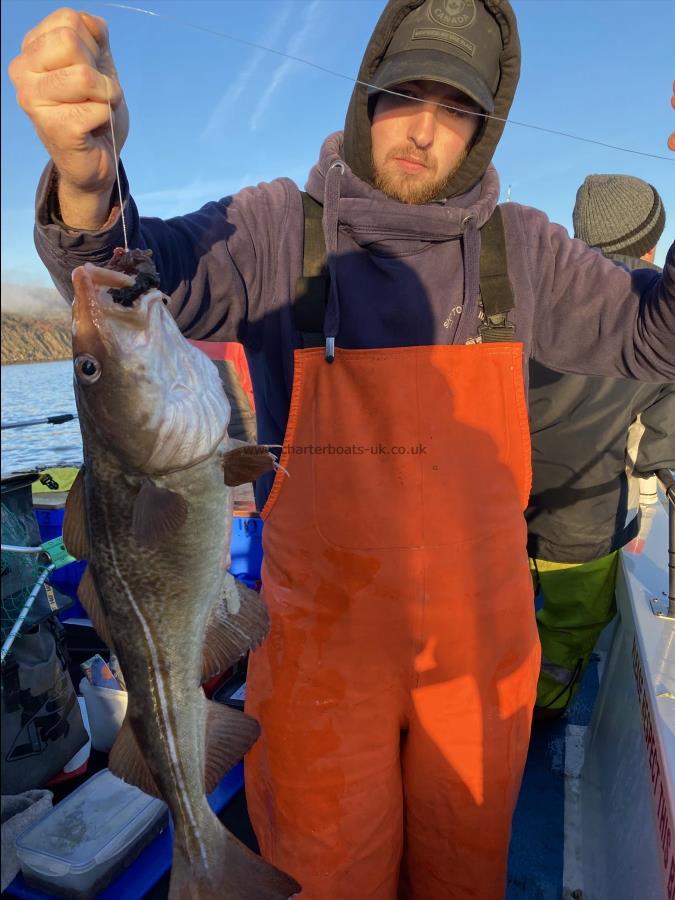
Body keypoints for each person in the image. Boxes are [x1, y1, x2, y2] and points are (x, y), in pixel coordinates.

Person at [8, 2, 675, 896]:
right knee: (323, 870)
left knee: (464, 869)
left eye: (458, 107)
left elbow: (651, 336)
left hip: (478, 652)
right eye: (404, 94)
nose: (425, 128)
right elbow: (135, 269)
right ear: (365, 95)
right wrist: (88, 177)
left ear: (486, 127)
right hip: (319, 650)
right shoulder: (278, 227)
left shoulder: (523, 249)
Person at [526, 175, 675, 718]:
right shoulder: (662, 310)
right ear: (652, 237)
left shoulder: (536, 284)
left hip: (492, 497)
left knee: (484, 616)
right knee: (569, 629)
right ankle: (540, 710)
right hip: (583, 514)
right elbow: (661, 449)